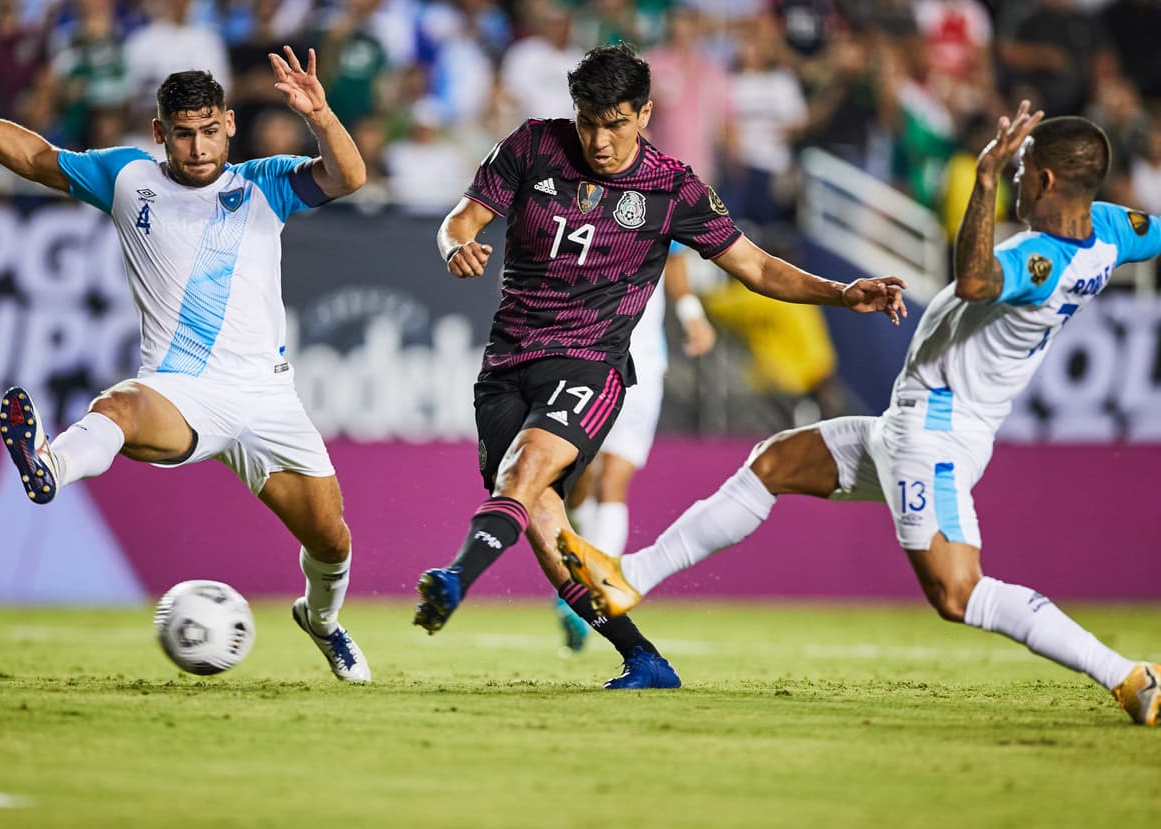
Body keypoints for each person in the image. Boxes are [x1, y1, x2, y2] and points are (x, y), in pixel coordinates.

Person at [556, 103, 1161, 726]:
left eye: (1022, 168)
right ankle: (629, 577)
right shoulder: (1113, 231)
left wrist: (980, 182)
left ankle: (1126, 675)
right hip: (915, 424)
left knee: (959, 592)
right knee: (777, 461)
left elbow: (977, 280)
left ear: (1047, 182)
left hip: (935, 432)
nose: (1013, 177)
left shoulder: (1042, 260)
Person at [413, 43, 906, 689]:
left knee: (523, 472)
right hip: (507, 364)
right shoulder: (533, 146)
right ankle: (645, 658)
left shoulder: (673, 187)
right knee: (541, 518)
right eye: (588, 121)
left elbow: (755, 266)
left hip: (592, 365)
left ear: (644, 113)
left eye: (615, 123)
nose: (599, 139)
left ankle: (455, 576)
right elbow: (461, 220)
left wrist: (841, 292)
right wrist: (457, 246)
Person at [0, 38, 373, 683]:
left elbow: (349, 177)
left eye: (207, 132)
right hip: (179, 389)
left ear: (228, 125)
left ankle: (322, 621)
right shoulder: (127, 176)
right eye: (181, 135)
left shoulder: (263, 184)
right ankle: (50, 464)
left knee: (332, 540)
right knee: (122, 405)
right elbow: (33, 157)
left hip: (266, 395)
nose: (197, 148)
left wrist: (320, 115)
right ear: (159, 133)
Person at [556, 245, 715, 652]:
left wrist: (692, 315)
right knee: (578, 479)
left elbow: (675, 259)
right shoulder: (577, 195)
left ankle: (590, 595)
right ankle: (577, 569)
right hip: (584, 357)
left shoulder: (660, 190)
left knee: (613, 480)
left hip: (643, 364)